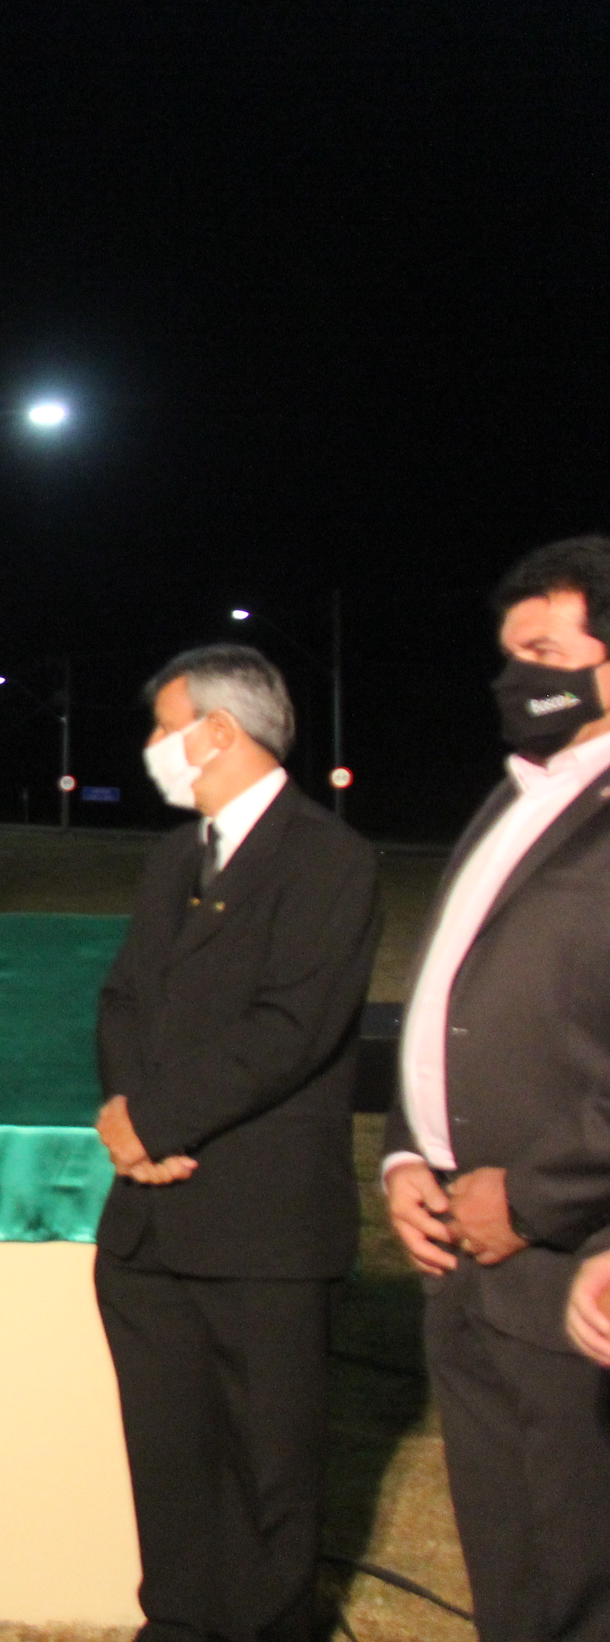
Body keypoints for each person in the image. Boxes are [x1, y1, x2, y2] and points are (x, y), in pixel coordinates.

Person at [91, 645, 381, 1642]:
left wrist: (157, 1122)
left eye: (163, 724)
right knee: (168, 1469)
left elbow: (289, 1029)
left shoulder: (330, 861)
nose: (151, 748)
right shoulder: (176, 858)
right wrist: (127, 1122)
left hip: (261, 1237)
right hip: (149, 1230)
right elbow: (125, 999)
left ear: (217, 730)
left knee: (268, 1481)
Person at [384, 537, 610, 1642]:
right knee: (508, 1573)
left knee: (581, 1572)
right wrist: (402, 1157)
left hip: (574, 1266)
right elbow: (447, 998)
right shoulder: (514, 797)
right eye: (507, 654)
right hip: (460, 1257)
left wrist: (529, 1200)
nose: (519, 678)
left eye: (546, 651)